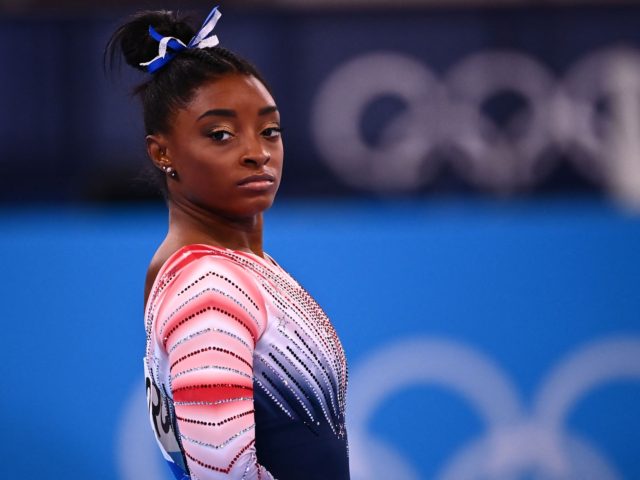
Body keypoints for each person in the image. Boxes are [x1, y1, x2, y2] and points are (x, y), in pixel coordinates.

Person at [106, 6, 349, 480]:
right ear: (162, 153)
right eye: (221, 134)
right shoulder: (209, 287)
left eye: (269, 131)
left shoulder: (232, 268)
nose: (257, 153)